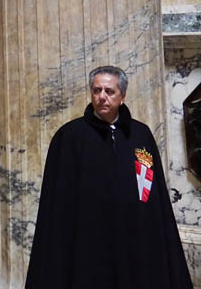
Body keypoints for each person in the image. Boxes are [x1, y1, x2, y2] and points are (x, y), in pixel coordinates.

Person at [25, 65, 192, 288]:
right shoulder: (69, 137)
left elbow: (150, 190)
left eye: (109, 91)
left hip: (132, 235)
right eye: (96, 90)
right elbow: (57, 203)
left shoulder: (140, 135)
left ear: (122, 96)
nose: (102, 97)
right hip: (87, 238)